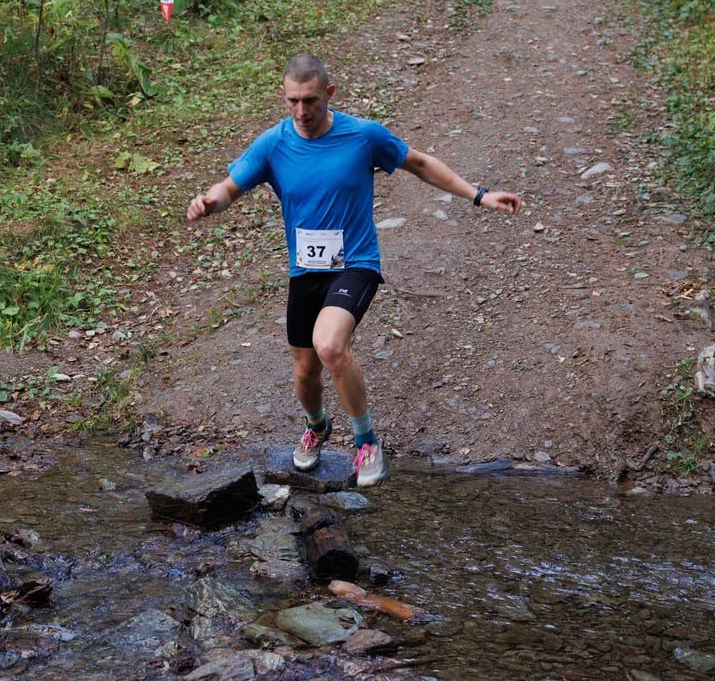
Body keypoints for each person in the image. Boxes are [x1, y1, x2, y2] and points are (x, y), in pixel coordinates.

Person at [185, 54, 522, 487]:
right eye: (293, 101)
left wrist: (479, 195)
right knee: (305, 370)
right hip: (305, 270)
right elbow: (230, 187)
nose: (302, 112)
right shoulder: (273, 143)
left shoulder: (362, 137)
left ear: (329, 93)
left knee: (330, 348)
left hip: (356, 265)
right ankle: (318, 425)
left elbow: (417, 163)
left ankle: (366, 442)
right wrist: (209, 203)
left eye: (310, 100)